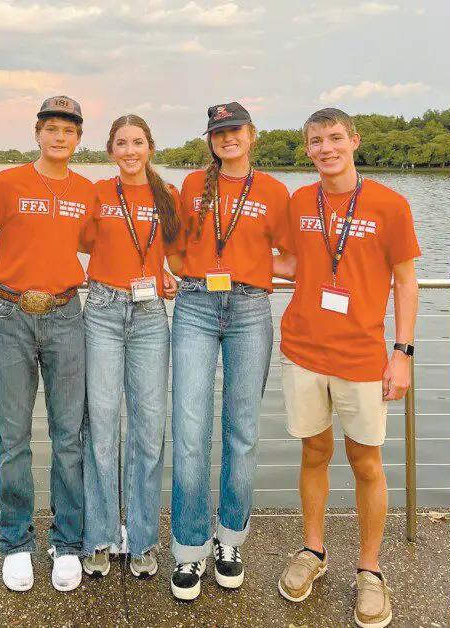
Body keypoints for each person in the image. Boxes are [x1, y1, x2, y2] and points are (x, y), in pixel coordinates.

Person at [274, 107, 420, 628]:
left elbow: (406, 282)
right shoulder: (298, 201)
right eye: (316, 141)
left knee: (367, 463)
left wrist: (402, 353)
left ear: (355, 140)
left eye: (335, 138)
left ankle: (370, 569)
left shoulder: (389, 204)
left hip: (362, 357)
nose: (326, 148)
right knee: (314, 452)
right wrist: (219, 262)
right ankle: (313, 552)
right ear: (307, 149)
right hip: (303, 351)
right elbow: (288, 264)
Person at [0, 95, 95, 593]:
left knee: (69, 437)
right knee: (12, 438)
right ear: (37, 133)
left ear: (79, 139)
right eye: (52, 129)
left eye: (69, 130)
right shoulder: (9, 182)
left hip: (66, 316)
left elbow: (95, 245)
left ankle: (67, 542)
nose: (60, 137)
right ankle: (16, 542)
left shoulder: (87, 191)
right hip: (12, 315)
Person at [167, 101, 293, 601]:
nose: (227, 138)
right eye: (218, 132)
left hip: (249, 309)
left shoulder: (274, 191)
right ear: (211, 139)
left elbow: (290, 257)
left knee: (241, 430)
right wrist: (191, 277)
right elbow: (173, 249)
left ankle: (231, 540)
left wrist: (254, 272)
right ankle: (190, 547)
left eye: (234, 130)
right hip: (195, 305)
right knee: (190, 429)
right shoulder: (193, 186)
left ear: (252, 134)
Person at [76, 114, 181, 581]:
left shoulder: (167, 196)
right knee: (101, 423)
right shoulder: (97, 193)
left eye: (138, 142)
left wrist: (170, 276)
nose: (130, 150)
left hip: (150, 316)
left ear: (150, 147)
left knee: (148, 426)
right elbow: (77, 243)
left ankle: (141, 539)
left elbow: (176, 253)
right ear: (111, 150)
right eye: (121, 143)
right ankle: (98, 536)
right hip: (101, 309)